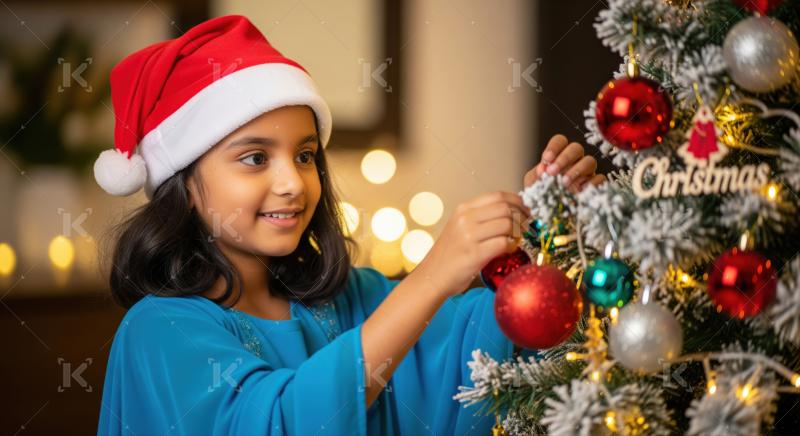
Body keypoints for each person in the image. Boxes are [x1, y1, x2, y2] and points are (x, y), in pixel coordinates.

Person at [95, 15, 603, 435]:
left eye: (305, 155)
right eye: (254, 158)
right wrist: (430, 276)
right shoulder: (160, 330)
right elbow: (279, 424)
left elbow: (478, 349)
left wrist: (548, 238)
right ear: (181, 183)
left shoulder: (348, 297)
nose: (293, 183)